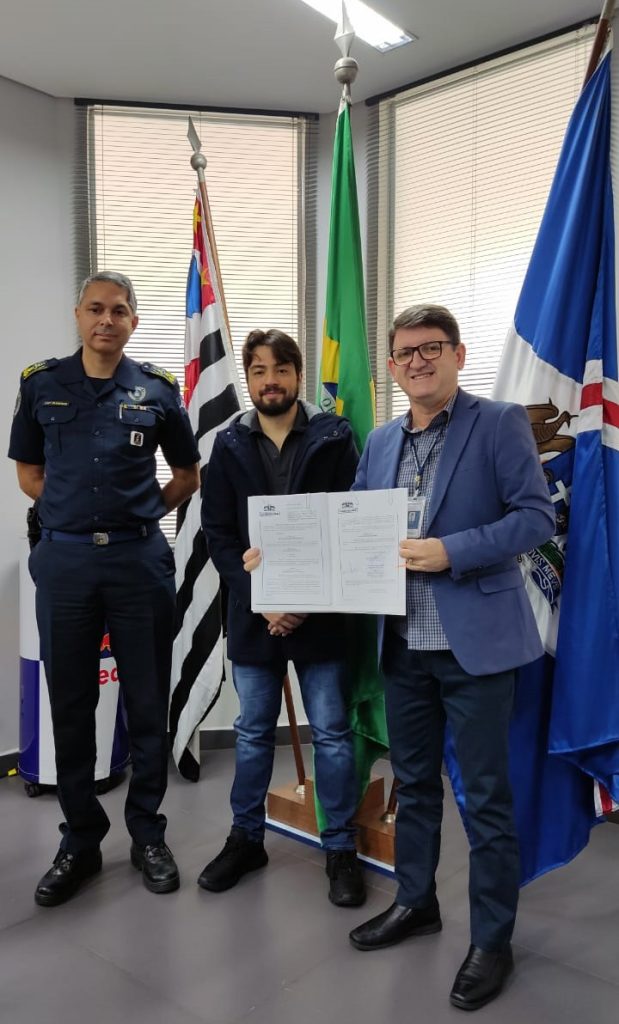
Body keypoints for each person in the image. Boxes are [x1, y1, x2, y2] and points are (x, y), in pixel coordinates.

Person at [347, 304, 555, 1011]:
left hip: (476, 649)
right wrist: (281, 564)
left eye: (430, 348)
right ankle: (416, 902)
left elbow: (534, 517)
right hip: (402, 646)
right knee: (413, 786)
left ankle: (492, 940)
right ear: (392, 366)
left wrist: (451, 551)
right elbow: (350, 526)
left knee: (486, 798)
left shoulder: (497, 423)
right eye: (404, 353)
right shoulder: (380, 440)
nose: (417, 361)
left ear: (458, 355)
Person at [9, 271, 200, 906]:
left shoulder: (157, 389)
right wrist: (70, 516)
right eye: (95, 308)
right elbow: (29, 473)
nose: (106, 320)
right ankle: (81, 840)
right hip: (66, 564)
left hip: (137, 562)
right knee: (70, 702)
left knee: (146, 699)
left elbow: (187, 474)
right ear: (78, 315)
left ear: (133, 322)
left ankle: (148, 834)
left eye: (119, 311)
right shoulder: (41, 384)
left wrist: (139, 514)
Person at [200, 328, 365, 906]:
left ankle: (339, 845)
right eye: (259, 371)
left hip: (321, 616)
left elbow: (350, 522)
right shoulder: (227, 444)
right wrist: (262, 597)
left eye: (281, 369)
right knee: (251, 733)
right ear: (249, 379)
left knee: (332, 734)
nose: (270, 381)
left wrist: (302, 601)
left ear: (297, 375)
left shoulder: (336, 436)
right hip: (255, 615)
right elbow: (219, 533)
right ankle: (246, 839)